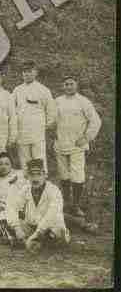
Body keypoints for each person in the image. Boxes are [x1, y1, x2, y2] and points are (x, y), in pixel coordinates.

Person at [54, 73, 101, 217]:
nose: (68, 86)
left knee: (77, 175)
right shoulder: (57, 101)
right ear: (63, 86)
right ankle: (66, 203)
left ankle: (76, 205)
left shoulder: (83, 101)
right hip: (60, 144)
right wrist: (52, 133)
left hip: (77, 145)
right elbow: (51, 119)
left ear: (76, 85)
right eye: (66, 84)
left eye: (71, 84)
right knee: (64, 175)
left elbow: (96, 121)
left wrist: (86, 137)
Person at [6, 158, 70, 251]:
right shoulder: (25, 189)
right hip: (32, 227)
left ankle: (34, 242)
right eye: (32, 175)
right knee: (15, 224)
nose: (35, 179)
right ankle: (32, 243)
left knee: (57, 231)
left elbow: (51, 215)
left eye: (39, 174)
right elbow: (12, 207)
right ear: (28, 176)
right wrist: (17, 228)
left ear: (45, 175)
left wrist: (36, 235)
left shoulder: (54, 190)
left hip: (50, 227)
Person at [13, 60, 56, 173]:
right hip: (22, 130)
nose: (26, 74)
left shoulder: (43, 90)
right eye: (24, 72)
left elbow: (51, 110)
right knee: (24, 161)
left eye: (29, 71)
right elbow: (12, 109)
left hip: (37, 131)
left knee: (39, 158)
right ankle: (27, 186)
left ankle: (43, 183)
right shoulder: (17, 90)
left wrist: (45, 125)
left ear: (35, 72)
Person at [0, 152, 28, 216]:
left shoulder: (20, 174)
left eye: (7, 164)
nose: (4, 167)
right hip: (1, 213)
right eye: (1, 164)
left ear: (11, 165)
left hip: (19, 211)